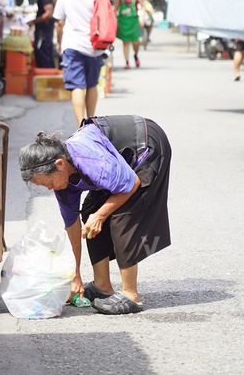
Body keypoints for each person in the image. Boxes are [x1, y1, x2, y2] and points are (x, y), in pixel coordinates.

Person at [19, 115, 172, 315]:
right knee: (90, 211)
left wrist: (101, 216)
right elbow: (72, 226)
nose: (49, 188)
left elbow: (131, 184)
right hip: (116, 162)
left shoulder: (88, 159)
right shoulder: (63, 183)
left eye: (47, 182)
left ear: (60, 164)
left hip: (146, 145)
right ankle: (102, 286)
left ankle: (131, 295)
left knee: (121, 216)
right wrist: (75, 275)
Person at [53, 0, 105, 125]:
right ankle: (91, 124)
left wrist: (59, 42)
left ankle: (81, 126)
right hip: (94, 47)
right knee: (92, 85)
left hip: (72, 45)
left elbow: (59, 22)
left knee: (77, 86)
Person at [27, 0, 57, 68]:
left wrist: (34, 21)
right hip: (47, 29)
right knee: (47, 53)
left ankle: (46, 78)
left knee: (42, 53)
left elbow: (48, 14)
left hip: (44, 30)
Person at [116, 0, 142, 69]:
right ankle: (127, 62)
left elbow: (142, 8)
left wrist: (142, 18)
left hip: (134, 21)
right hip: (123, 21)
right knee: (125, 42)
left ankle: (135, 54)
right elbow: (116, 8)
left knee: (136, 42)